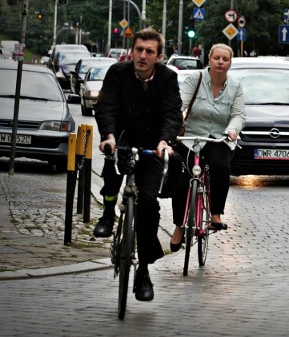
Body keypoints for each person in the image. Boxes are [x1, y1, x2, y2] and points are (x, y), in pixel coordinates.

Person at [93, 27, 183, 302]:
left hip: (152, 148)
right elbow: (105, 105)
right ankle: (108, 213)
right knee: (111, 173)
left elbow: (172, 112)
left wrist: (165, 141)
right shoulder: (117, 73)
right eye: (139, 50)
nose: (142, 56)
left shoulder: (168, 78)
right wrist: (108, 136)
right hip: (120, 139)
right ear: (131, 50)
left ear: (158, 56)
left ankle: (143, 271)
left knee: (147, 203)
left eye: (149, 52)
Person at [170, 43, 245, 252]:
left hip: (219, 139)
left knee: (221, 166)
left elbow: (239, 114)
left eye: (225, 59)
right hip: (192, 138)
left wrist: (232, 130)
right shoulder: (195, 79)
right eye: (216, 58)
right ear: (209, 59)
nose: (220, 62)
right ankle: (178, 227)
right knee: (183, 179)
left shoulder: (235, 86)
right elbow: (180, 104)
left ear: (230, 63)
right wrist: (176, 120)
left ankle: (215, 215)